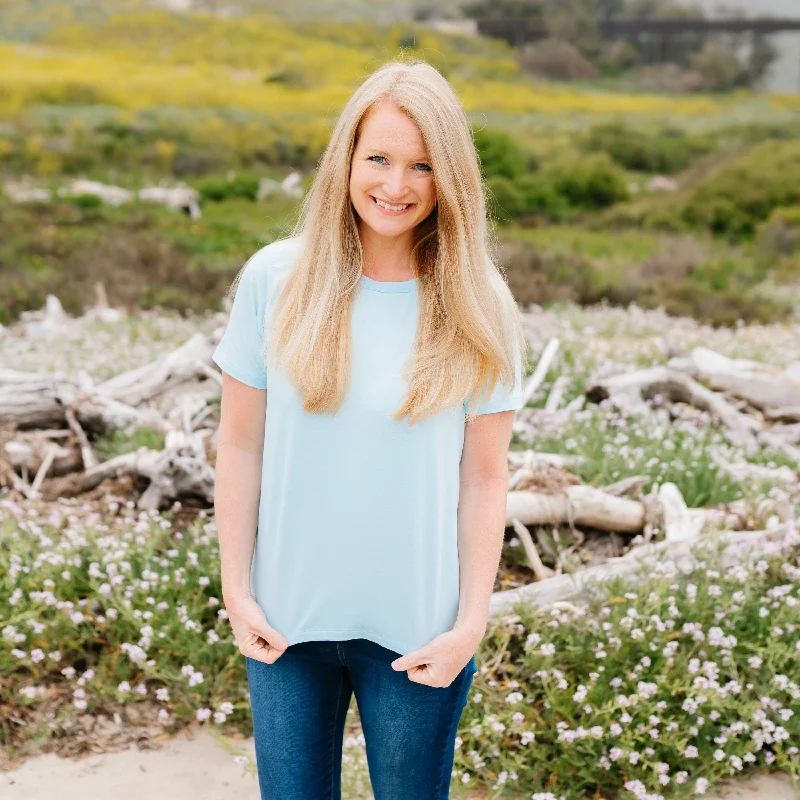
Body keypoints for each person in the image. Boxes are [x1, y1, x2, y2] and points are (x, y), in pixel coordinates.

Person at [212, 59, 528, 800]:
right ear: (346, 159)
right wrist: (237, 590)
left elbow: (485, 477)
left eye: (422, 165)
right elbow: (239, 443)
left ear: (450, 176)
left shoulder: (481, 302)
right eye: (378, 157)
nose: (397, 184)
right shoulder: (273, 280)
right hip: (284, 629)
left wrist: (470, 627)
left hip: (422, 636)